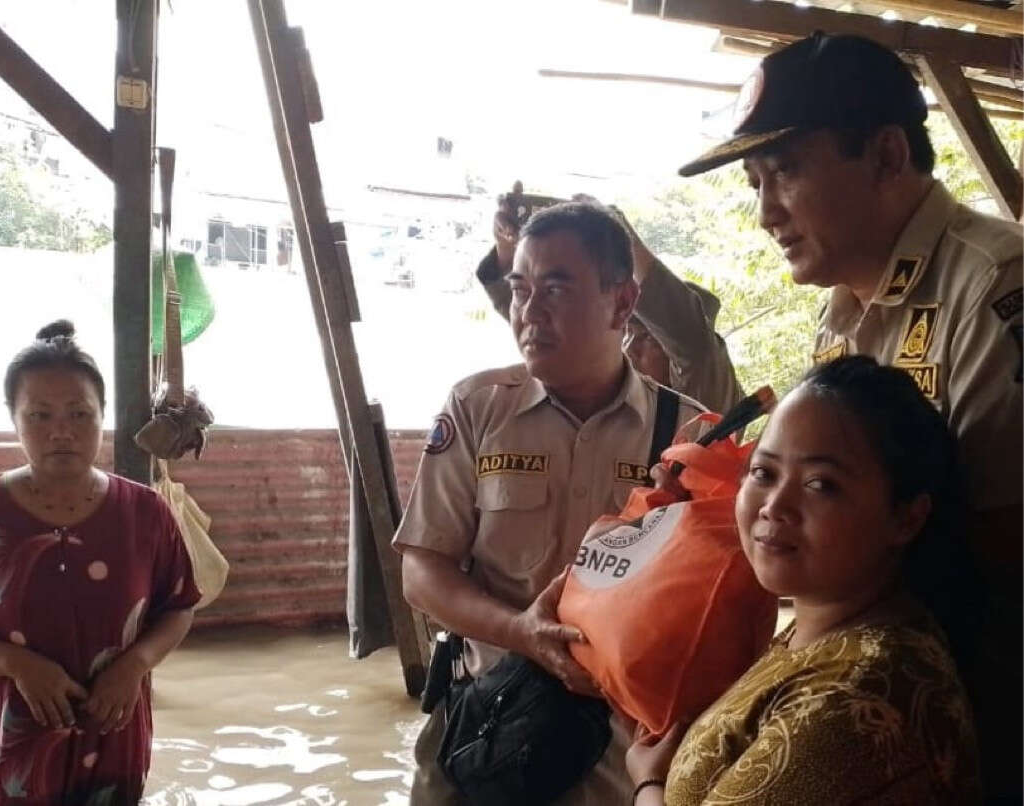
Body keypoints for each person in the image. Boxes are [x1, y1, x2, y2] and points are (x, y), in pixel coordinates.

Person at [677, 31, 1022, 801]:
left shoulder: (995, 286)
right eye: (755, 183)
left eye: (787, 172)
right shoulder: (841, 318)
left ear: (888, 156)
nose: (766, 212)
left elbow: (1004, 546)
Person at [394, 201, 705, 804]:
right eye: (519, 290)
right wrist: (522, 632)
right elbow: (421, 573)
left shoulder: (685, 435)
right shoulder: (478, 409)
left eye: (556, 289)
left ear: (622, 302)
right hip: (485, 727)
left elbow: (705, 609)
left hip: (620, 750)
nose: (528, 314)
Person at [627, 356, 982, 805]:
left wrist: (647, 783)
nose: (774, 505)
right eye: (763, 472)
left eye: (820, 484)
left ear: (906, 517)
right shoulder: (819, 631)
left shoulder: (854, 704)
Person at [0, 320, 200, 804]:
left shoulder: (145, 513)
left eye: (80, 414)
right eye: (39, 415)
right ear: (13, 418)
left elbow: (178, 606)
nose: (62, 431)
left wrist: (136, 663)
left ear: (103, 414)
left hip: (108, 746)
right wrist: (15, 663)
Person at [475, 185, 744, 413]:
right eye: (629, 333)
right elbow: (554, 325)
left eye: (649, 338)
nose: (630, 346)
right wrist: (507, 247)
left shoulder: (701, 398)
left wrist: (614, 235)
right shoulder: (613, 400)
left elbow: (688, 335)